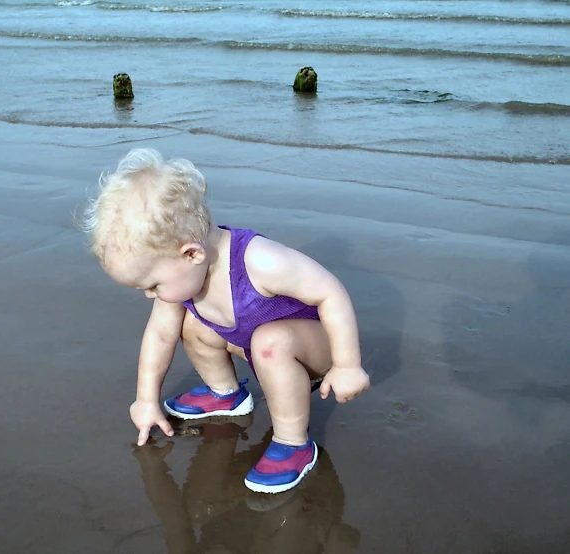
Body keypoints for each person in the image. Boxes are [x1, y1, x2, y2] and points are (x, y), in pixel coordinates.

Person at [83, 148, 370, 494]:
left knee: (270, 341)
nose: (150, 294)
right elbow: (160, 335)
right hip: (255, 344)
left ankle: (293, 443)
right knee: (190, 322)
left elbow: (331, 292)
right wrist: (146, 400)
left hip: (312, 350)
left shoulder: (261, 262)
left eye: (153, 284)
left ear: (192, 253)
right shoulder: (185, 276)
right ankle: (225, 393)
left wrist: (347, 364)